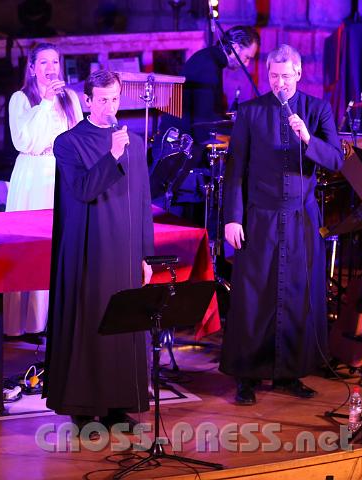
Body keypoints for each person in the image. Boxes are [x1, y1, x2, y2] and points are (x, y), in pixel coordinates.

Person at [221, 44, 343, 405]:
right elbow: (235, 171)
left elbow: (336, 160)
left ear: (299, 74)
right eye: (273, 77)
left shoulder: (318, 109)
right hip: (259, 217)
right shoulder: (250, 112)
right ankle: (246, 375)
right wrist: (232, 217)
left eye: (285, 77)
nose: (279, 84)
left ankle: (289, 373)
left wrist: (308, 138)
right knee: (253, 297)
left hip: (301, 218)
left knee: (296, 296)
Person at [44, 70, 154, 428]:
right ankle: (82, 408)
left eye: (115, 99)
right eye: (103, 99)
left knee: (122, 322)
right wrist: (112, 154)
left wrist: (146, 256)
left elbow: (142, 202)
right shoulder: (68, 143)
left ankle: (117, 405)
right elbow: (84, 191)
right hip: (88, 250)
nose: (110, 106)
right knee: (90, 321)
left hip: (124, 251)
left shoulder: (133, 142)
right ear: (88, 101)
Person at [3, 43, 83, 339]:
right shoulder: (20, 99)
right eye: (44, 63)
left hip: (61, 172)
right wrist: (46, 103)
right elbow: (24, 142)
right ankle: (27, 322)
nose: (51, 68)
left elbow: (77, 134)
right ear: (33, 68)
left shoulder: (70, 97)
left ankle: (57, 319)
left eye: (55, 62)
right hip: (33, 174)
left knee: (61, 245)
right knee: (32, 245)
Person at [151, 26, 259, 222]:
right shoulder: (208, 66)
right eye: (247, 57)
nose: (247, 64)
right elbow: (203, 123)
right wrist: (237, 132)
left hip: (182, 146)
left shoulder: (208, 60)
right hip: (176, 154)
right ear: (234, 47)